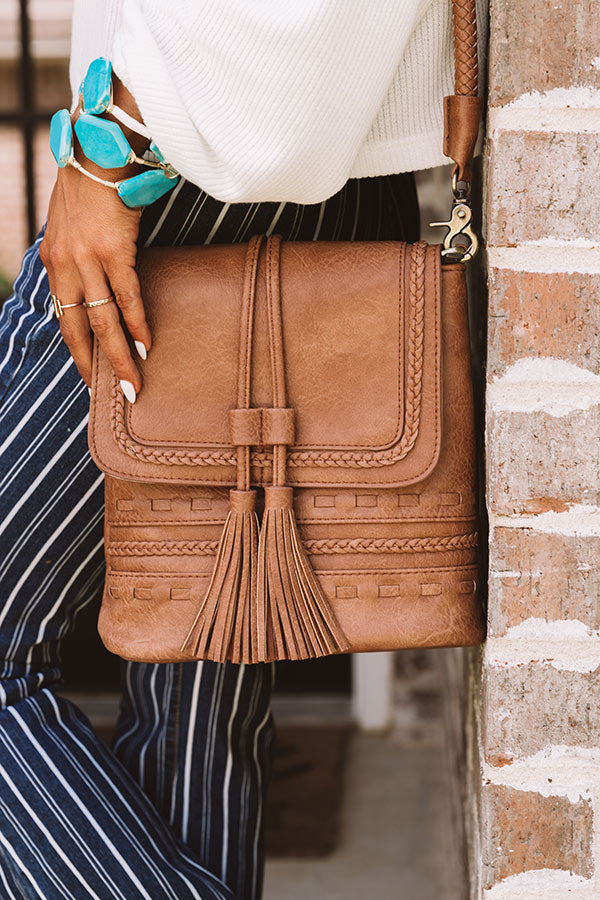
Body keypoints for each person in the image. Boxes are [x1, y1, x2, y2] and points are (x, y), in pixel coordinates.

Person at [0, 1, 484, 897]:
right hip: (283, 163)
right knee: (196, 709)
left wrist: (111, 147)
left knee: (187, 684)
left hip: (184, 174)